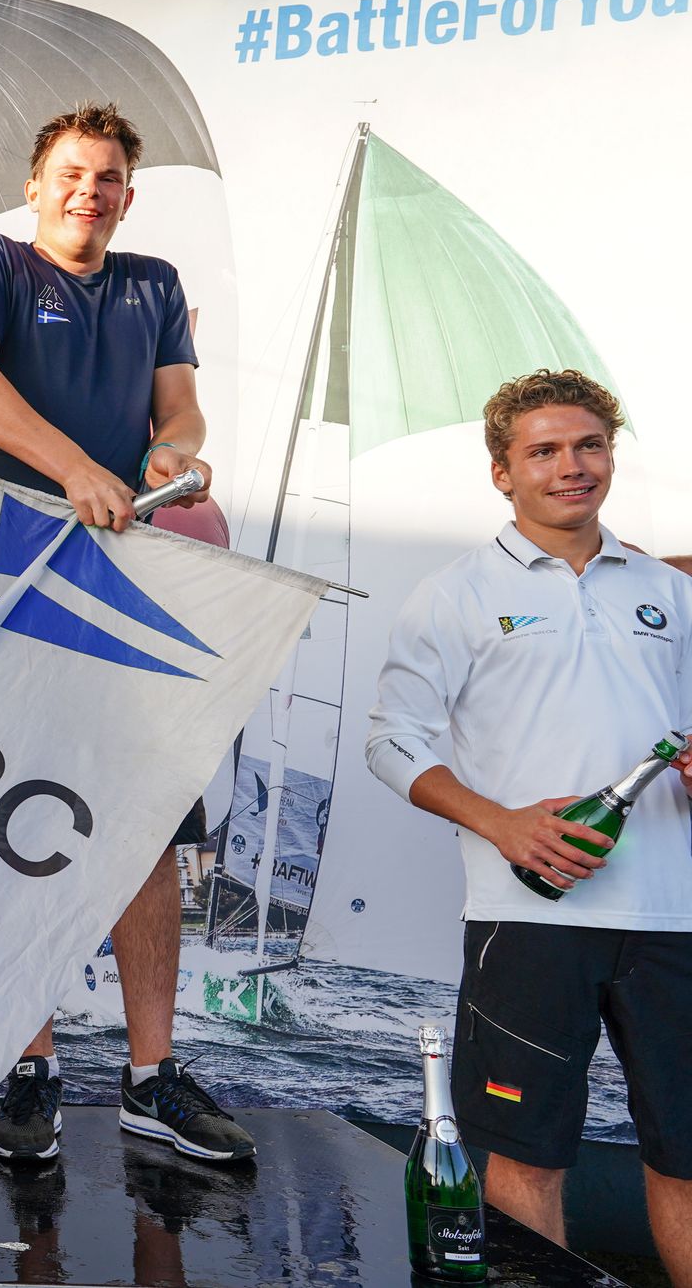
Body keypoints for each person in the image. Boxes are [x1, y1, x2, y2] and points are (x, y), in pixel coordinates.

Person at [0, 102, 253, 1165]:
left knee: (146, 828)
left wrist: (172, 454)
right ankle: (31, 1065)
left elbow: (180, 410)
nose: (89, 190)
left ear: (128, 195)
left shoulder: (152, 283)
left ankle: (151, 1075)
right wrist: (73, 466)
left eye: (108, 177)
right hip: (19, 580)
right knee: (19, 821)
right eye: (71, 172)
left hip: (128, 585)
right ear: (35, 185)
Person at [367, 368, 692, 1283]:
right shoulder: (456, 592)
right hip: (530, 916)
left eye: (589, 445)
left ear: (611, 455)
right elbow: (390, 742)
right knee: (527, 1158)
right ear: (502, 472)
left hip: (674, 918)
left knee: (686, 1155)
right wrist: (501, 823)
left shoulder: (669, 591)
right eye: (543, 451)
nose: (571, 466)